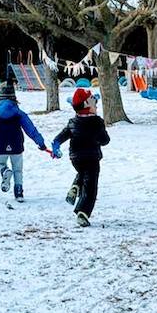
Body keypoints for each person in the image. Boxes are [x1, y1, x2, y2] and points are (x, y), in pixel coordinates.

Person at [0, 79, 52, 202]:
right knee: (18, 169)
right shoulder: (19, 113)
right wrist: (41, 143)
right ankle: (19, 192)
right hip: (16, 144)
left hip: (0, 144)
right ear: (14, 96)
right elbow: (31, 130)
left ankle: (5, 171)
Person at [52, 87, 111, 227]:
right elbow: (105, 140)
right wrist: (101, 136)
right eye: (93, 101)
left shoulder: (73, 122)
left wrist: (56, 145)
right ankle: (82, 213)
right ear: (86, 106)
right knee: (90, 187)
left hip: (75, 158)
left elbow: (62, 135)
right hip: (92, 157)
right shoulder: (97, 122)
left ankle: (75, 186)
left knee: (83, 173)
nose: (96, 103)